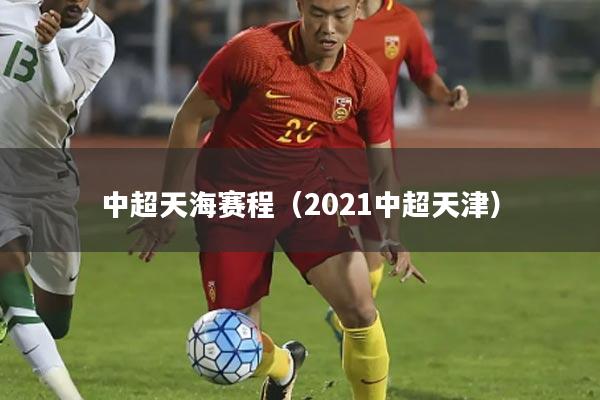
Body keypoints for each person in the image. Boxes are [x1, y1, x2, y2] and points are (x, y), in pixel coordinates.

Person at [128, 1, 423, 399]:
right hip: (232, 205)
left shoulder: (364, 78)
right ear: (300, 7)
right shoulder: (254, 52)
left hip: (304, 195)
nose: (328, 27)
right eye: (318, 13)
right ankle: (283, 366)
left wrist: (392, 233)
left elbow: (383, 167)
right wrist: (167, 204)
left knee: (361, 308)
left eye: (340, 14)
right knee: (234, 343)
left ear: (357, 11)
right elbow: (189, 116)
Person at [322, 0, 468, 346]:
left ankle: (346, 319)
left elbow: (423, 74)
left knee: (375, 253)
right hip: (329, 144)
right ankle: (352, 321)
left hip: (377, 147)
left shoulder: (404, 21)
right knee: (346, 245)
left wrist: (447, 95)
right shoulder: (335, 16)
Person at [0, 0, 114, 398]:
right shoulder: (8, 10)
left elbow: (59, 95)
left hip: (50, 181)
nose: (77, 2)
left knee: (54, 322)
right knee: (11, 283)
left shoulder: (97, 40)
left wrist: (47, 46)